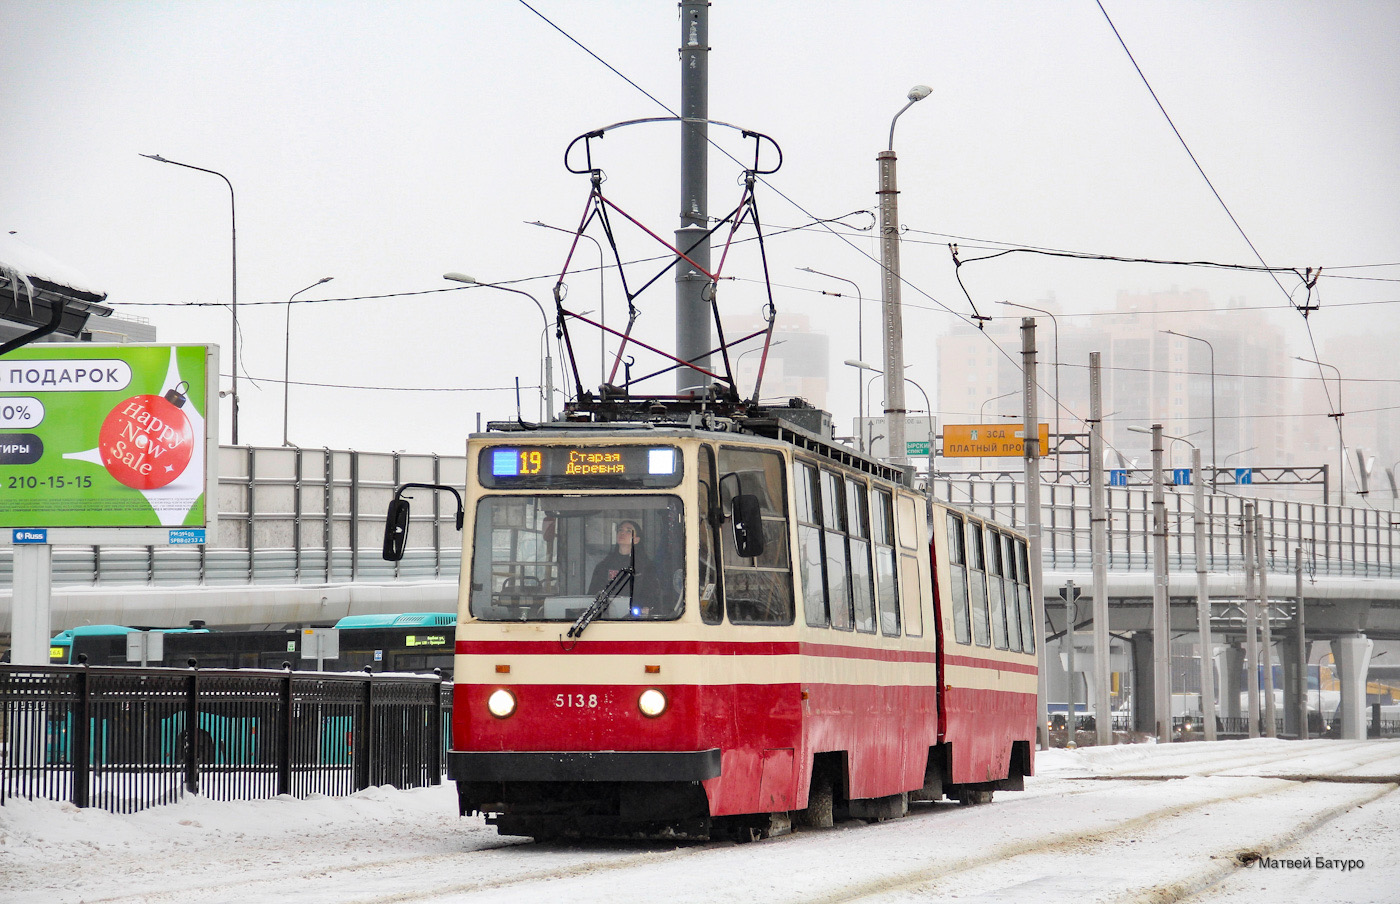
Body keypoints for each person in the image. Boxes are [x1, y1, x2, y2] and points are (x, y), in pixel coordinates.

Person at [589, 519, 645, 596]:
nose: (622, 533)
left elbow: (650, 594)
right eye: (620, 530)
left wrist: (645, 607)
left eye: (628, 531)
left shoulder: (644, 566)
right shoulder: (605, 565)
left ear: (636, 540)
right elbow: (593, 592)